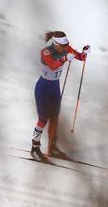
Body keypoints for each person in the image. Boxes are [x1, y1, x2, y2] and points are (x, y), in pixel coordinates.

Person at [30, 31, 88, 161]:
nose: (65, 47)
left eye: (66, 45)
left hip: (55, 88)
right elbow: (52, 65)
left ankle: (52, 147)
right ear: (55, 44)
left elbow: (79, 56)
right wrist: (65, 58)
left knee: (55, 118)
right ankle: (34, 148)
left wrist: (84, 53)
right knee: (43, 119)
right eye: (63, 46)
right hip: (43, 89)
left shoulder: (65, 47)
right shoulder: (45, 52)